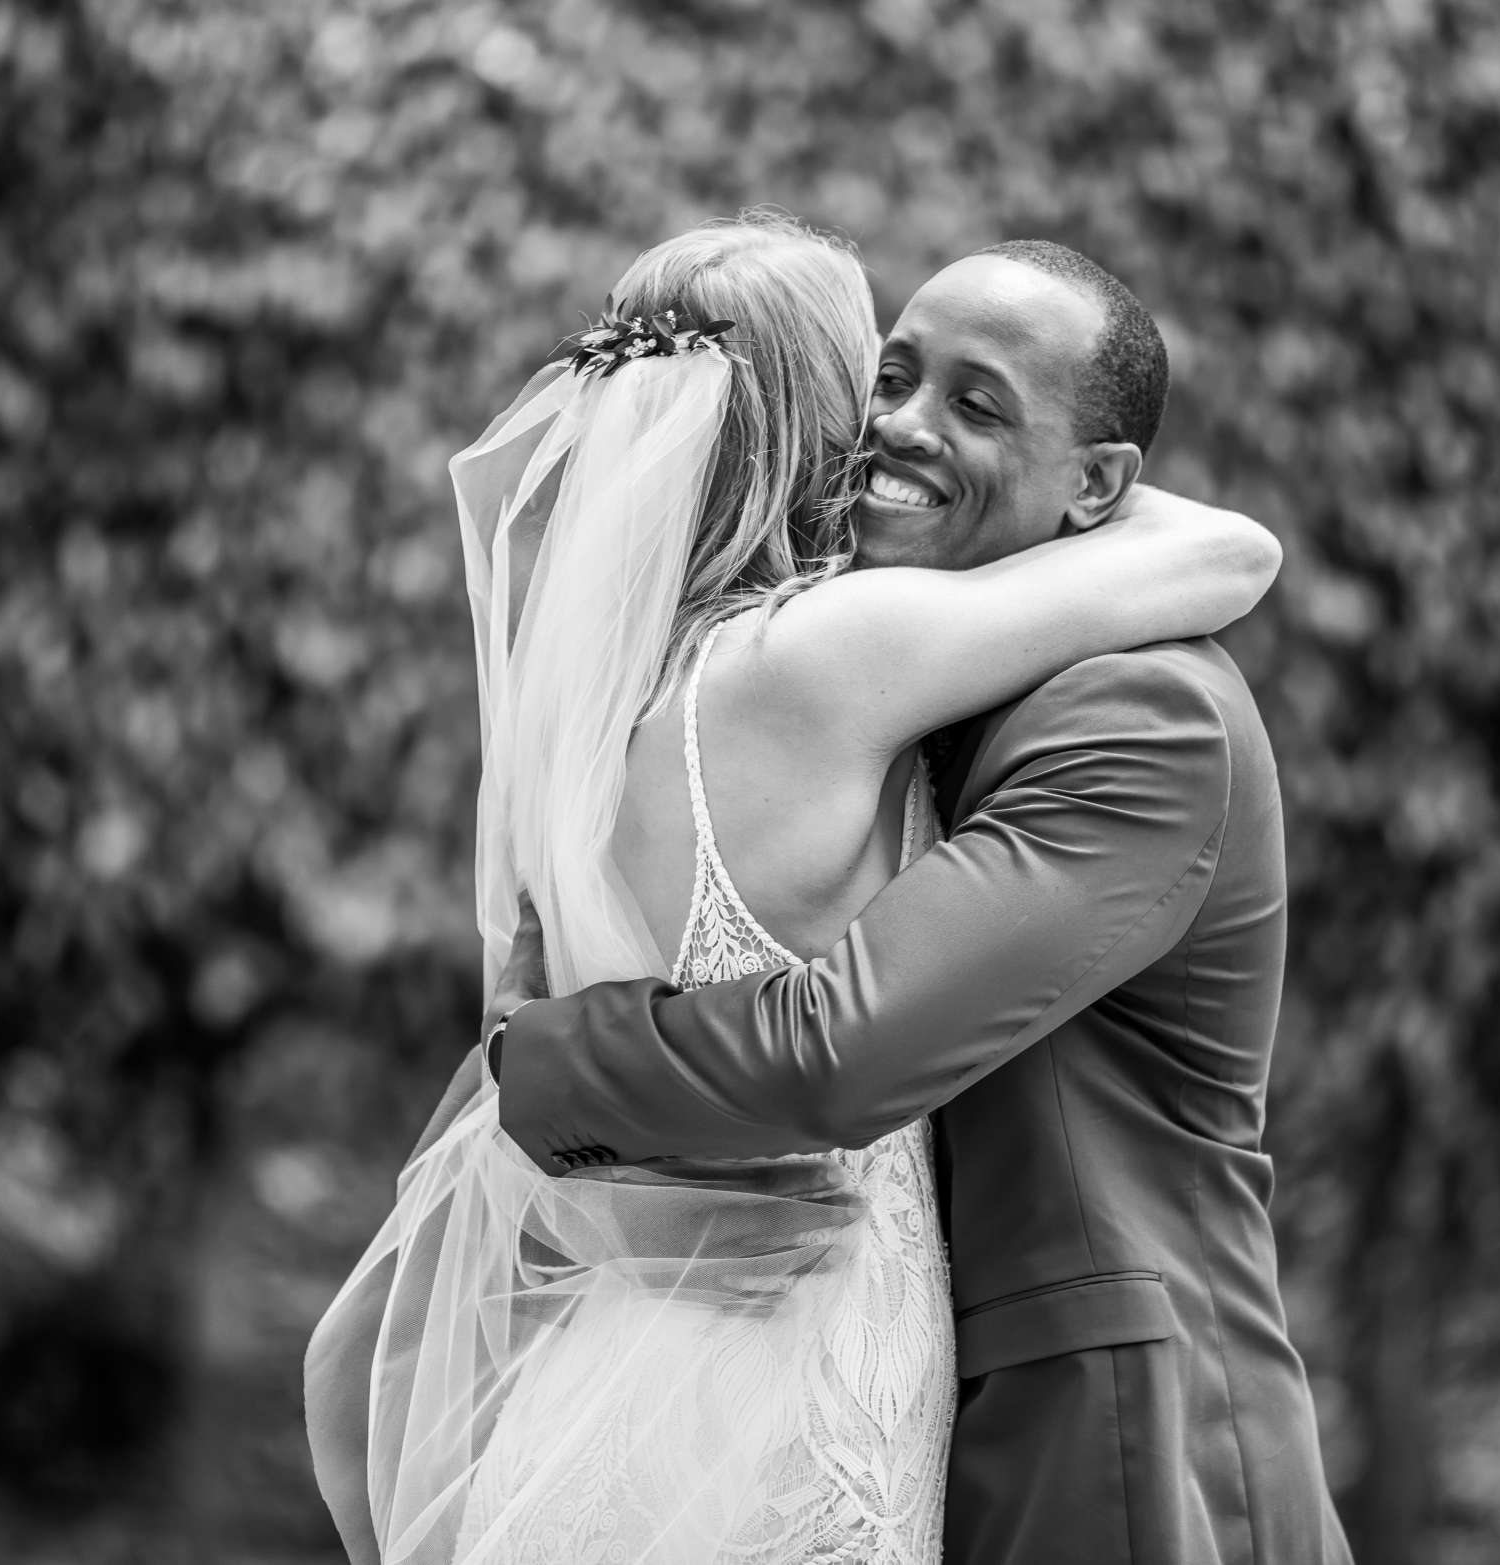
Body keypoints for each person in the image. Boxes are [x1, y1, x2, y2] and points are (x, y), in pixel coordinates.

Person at [305, 212, 1281, 1564]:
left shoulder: (1134, 705)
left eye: (976, 401)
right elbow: (1230, 544)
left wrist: (530, 1071)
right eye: (888, 375)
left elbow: (835, 1053)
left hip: (1093, 1428)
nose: (903, 425)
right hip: (802, 1403)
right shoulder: (851, 662)